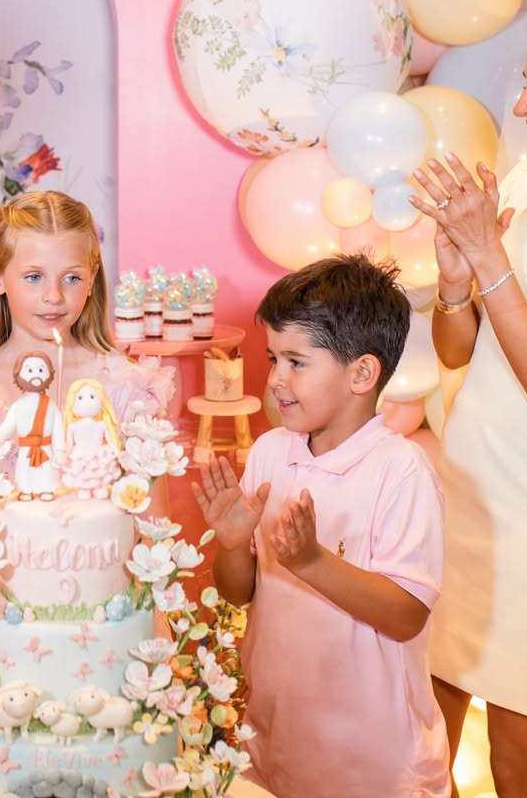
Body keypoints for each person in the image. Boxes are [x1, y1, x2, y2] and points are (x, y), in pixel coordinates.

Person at [409, 0, 527, 798]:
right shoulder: (525, 181)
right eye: (525, 84)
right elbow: (460, 351)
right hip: (467, 505)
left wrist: (488, 253)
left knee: (523, 768)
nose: (522, 107)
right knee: (421, 751)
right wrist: (455, 280)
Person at [192, 253, 449, 798]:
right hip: (279, 739)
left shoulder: (400, 469)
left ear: (362, 373)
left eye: (296, 362)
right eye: (273, 358)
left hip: (373, 762)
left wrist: (312, 562)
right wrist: (233, 545)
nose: (275, 379)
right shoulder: (271, 451)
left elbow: (406, 615)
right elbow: (238, 593)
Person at [0, 190, 175, 455]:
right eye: (34, 277)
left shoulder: (127, 388)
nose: (54, 296)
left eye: (71, 278)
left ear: (91, 279)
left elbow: (147, 482)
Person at [0, 351, 65, 499]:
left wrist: (59, 449)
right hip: (26, 449)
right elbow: (8, 426)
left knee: (46, 471)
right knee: (25, 471)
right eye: (30, 370)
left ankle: (46, 489)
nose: (35, 374)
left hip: (45, 448)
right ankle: (25, 490)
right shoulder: (18, 405)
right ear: (18, 374)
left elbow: (58, 429)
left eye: (40, 369)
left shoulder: (50, 405)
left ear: (49, 373)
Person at [59, 376, 121, 499]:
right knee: (83, 473)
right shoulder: (72, 426)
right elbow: (69, 445)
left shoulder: (101, 424)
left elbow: (110, 440)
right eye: (80, 398)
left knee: (98, 471)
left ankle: (99, 487)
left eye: (92, 397)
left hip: (99, 453)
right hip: (80, 454)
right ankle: (85, 489)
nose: (86, 402)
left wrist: (117, 451)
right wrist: (63, 455)